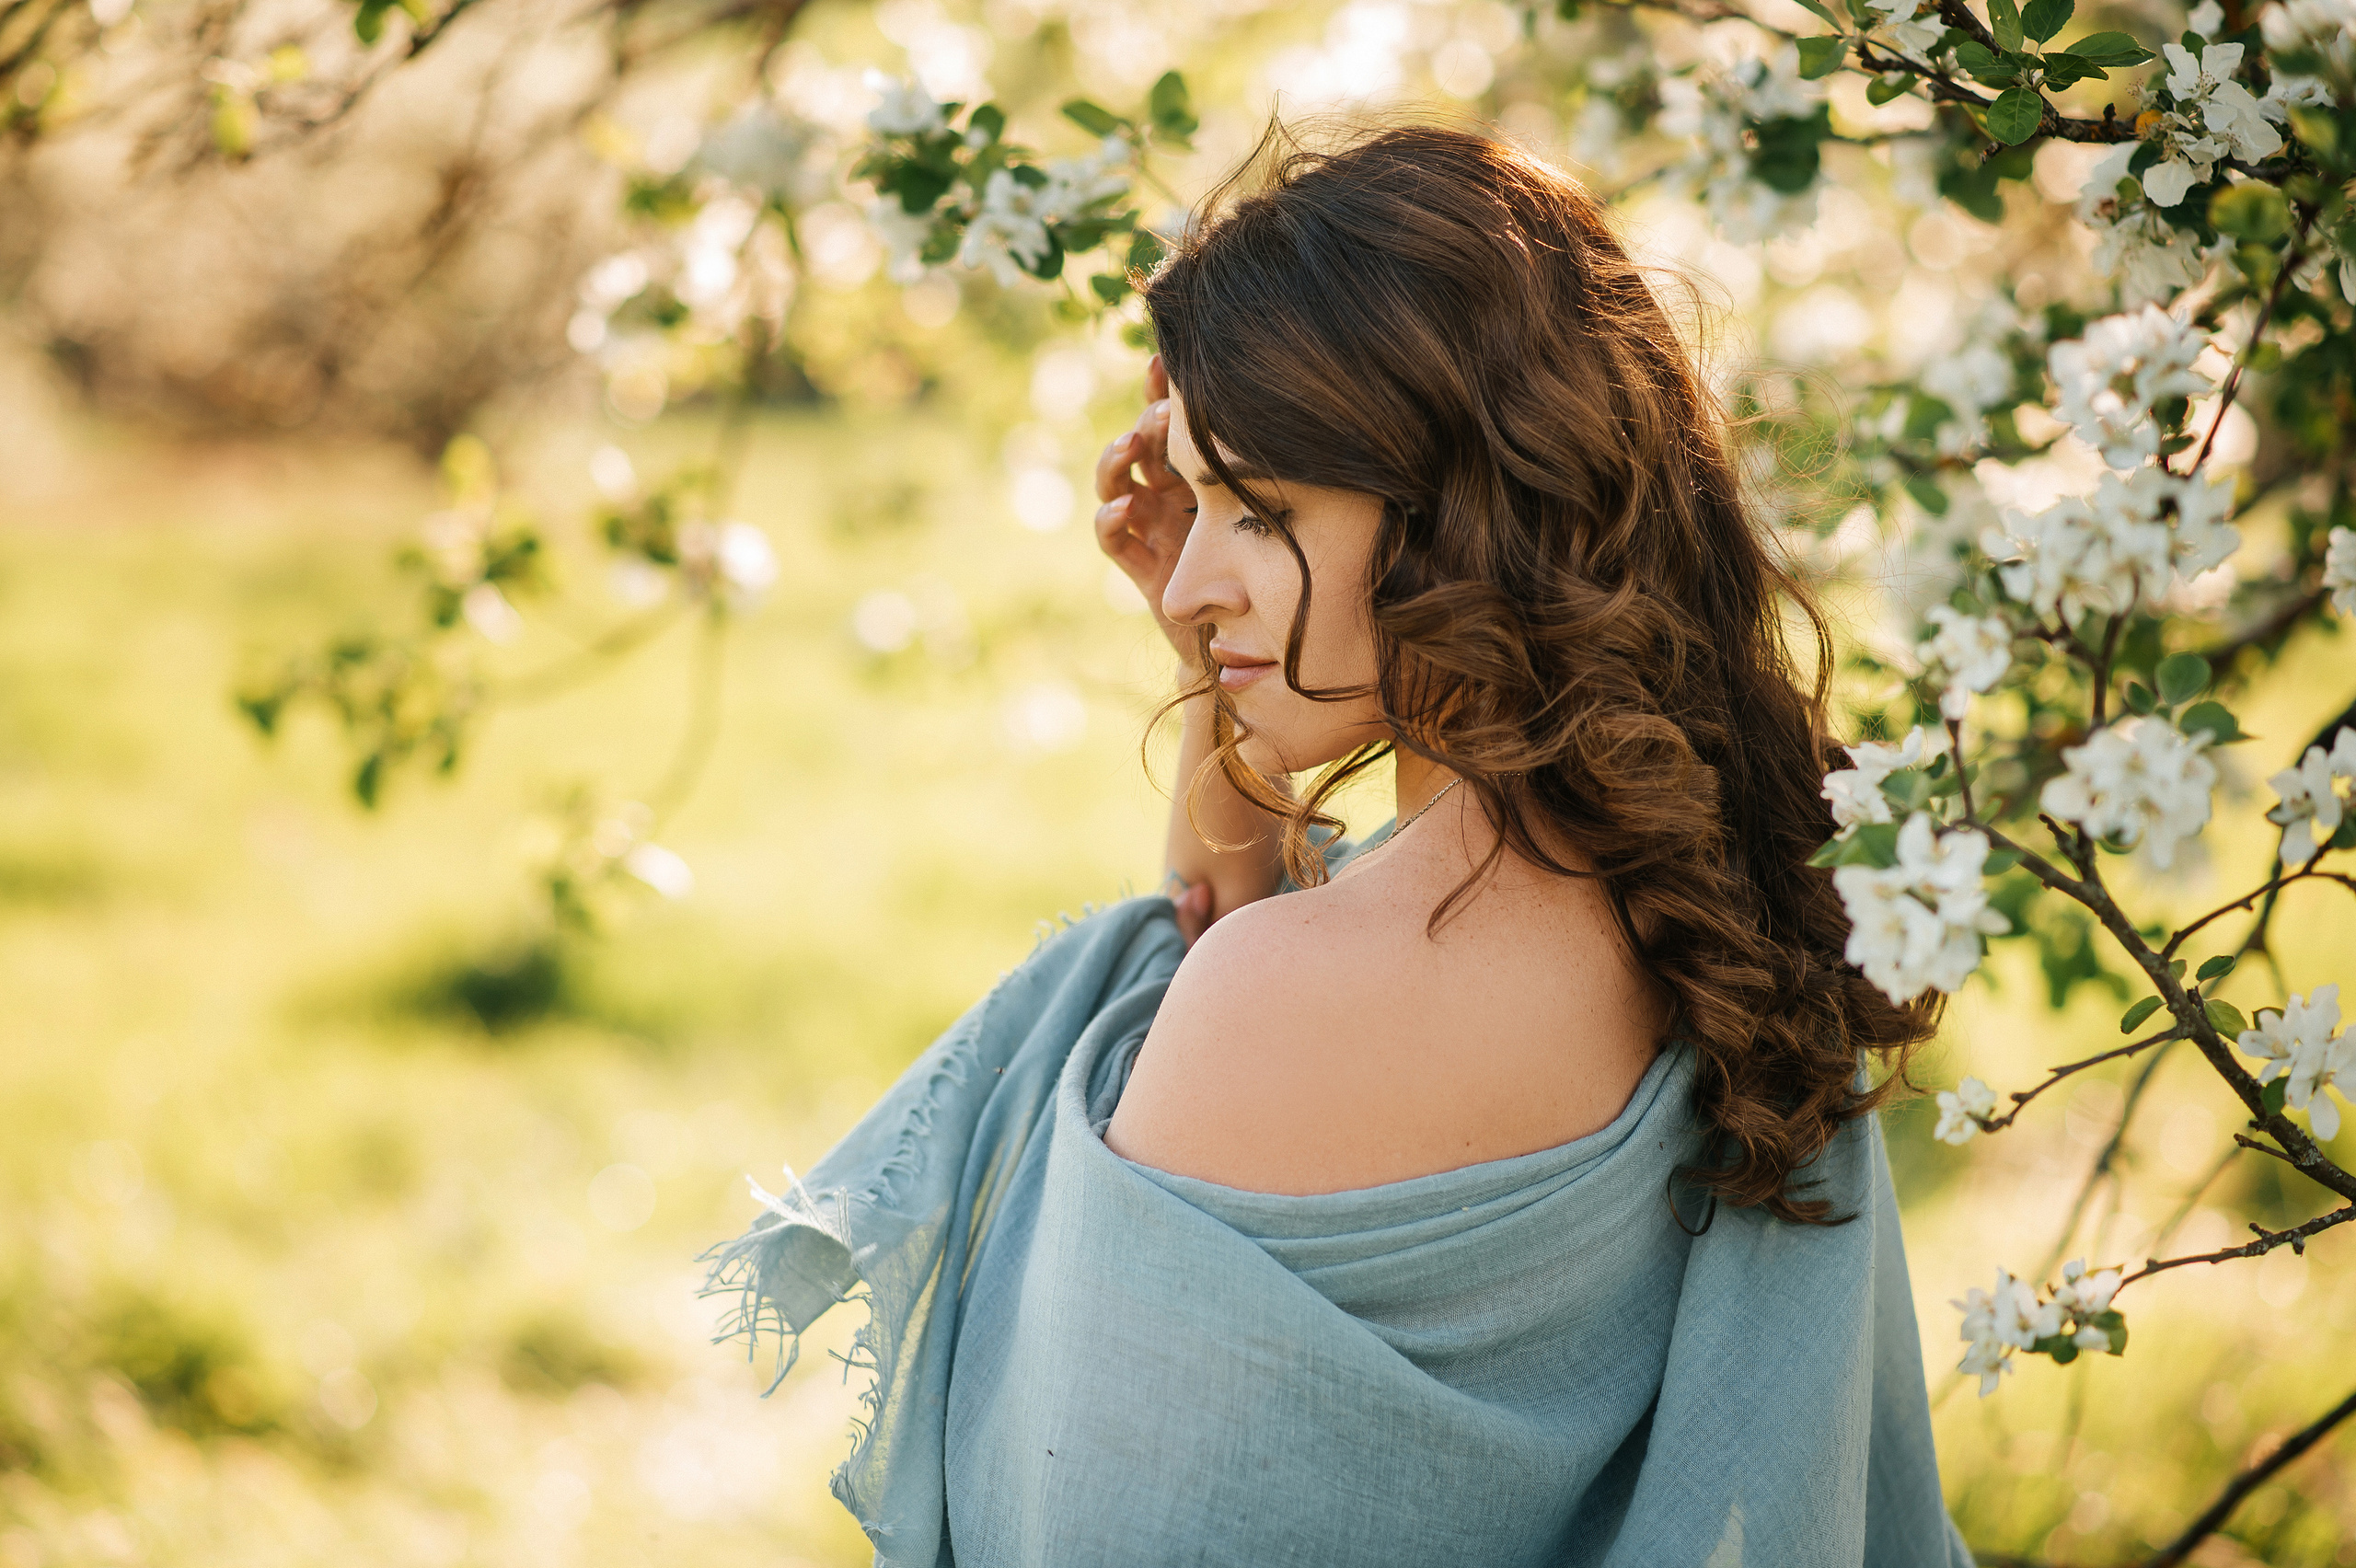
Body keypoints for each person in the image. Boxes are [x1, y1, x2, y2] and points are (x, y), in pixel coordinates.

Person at [707, 121, 1973, 1566]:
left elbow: (1079, 1524)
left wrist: (1227, 712)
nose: (1186, 584)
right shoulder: (1711, 891)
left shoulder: (1294, 996)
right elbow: (1226, 916)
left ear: (1457, 510)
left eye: (1256, 509)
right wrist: (1222, 669)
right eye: (1196, 502)